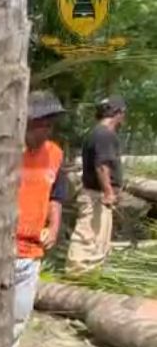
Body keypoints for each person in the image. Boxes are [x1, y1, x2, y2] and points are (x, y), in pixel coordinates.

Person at [12, 91, 68, 347]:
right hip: (0, 249)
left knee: (19, 314)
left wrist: (54, 227)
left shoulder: (55, 155)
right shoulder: (5, 154)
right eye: (39, 124)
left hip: (32, 250)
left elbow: (57, 196)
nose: (45, 130)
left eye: (49, 124)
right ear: (24, 122)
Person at [66, 95, 127, 274]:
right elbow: (102, 165)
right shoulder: (104, 134)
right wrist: (108, 192)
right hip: (96, 196)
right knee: (87, 236)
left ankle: (89, 273)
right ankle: (76, 273)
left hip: (97, 195)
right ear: (118, 113)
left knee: (98, 238)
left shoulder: (98, 133)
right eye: (123, 113)